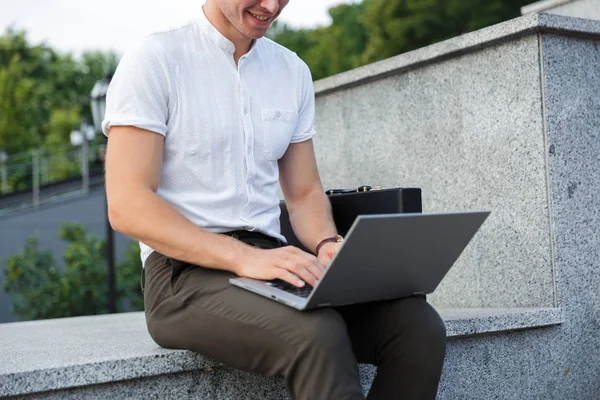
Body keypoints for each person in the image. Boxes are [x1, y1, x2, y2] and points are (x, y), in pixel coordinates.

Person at [103, 0, 447, 398]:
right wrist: (245, 258)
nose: (271, 6)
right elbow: (128, 204)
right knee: (317, 333)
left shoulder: (291, 70)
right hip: (182, 274)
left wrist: (327, 244)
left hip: (272, 259)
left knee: (416, 327)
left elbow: (303, 194)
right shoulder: (155, 60)